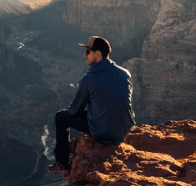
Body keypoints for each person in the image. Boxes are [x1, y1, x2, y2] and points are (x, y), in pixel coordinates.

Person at [47, 36, 136, 175]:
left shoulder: (89, 79)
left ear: (98, 54)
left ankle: (61, 163)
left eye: (88, 51)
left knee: (60, 117)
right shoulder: (125, 73)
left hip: (104, 132)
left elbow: (75, 109)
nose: (84, 55)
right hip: (123, 130)